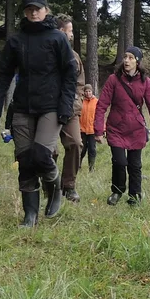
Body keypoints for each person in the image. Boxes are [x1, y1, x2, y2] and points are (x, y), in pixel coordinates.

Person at [0, 0, 78, 226]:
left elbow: (70, 74)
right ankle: (30, 215)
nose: (33, 12)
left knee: (41, 154)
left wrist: (66, 105)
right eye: (29, 9)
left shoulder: (57, 39)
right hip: (22, 107)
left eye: (37, 8)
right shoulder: (16, 41)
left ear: (46, 10)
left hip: (51, 106)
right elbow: (2, 76)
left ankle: (55, 188)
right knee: (25, 159)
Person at [93, 46, 150, 206]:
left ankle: (134, 195)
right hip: (116, 128)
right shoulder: (114, 79)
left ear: (138, 62)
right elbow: (102, 105)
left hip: (136, 129)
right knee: (119, 162)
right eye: (125, 57)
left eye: (131, 58)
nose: (126, 60)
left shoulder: (146, 81)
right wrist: (98, 129)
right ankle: (117, 190)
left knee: (135, 165)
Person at [54, 15, 87, 202]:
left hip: (70, 110)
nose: (72, 34)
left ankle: (69, 185)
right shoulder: (47, 53)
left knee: (76, 143)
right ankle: (50, 183)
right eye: (70, 30)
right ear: (61, 31)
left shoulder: (74, 58)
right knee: (50, 150)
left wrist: (74, 104)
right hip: (48, 109)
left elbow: (80, 85)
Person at [78, 83, 99, 172]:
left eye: (89, 91)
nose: (88, 93)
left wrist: (102, 129)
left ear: (92, 91)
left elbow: (99, 116)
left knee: (92, 149)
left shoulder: (96, 102)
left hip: (92, 130)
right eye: (86, 91)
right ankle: (78, 165)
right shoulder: (81, 101)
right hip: (81, 129)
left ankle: (91, 168)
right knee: (82, 149)